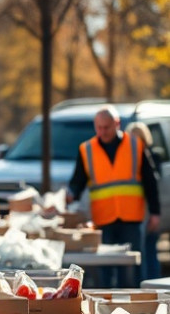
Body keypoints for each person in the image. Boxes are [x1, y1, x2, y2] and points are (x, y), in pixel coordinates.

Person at [67, 106, 160, 287]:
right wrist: (70, 195)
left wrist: (155, 212)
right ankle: (104, 309)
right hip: (103, 219)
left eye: (107, 127)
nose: (103, 132)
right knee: (105, 270)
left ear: (117, 124)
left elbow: (150, 181)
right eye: (99, 127)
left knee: (131, 271)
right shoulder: (87, 149)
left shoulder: (135, 145)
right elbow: (78, 181)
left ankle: (135, 310)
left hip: (131, 218)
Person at [126, 122, 162, 282]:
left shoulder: (149, 157)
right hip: (139, 212)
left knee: (148, 250)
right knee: (145, 250)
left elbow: (152, 186)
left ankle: (150, 285)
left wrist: (155, 212)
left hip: (145, 211)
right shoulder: (129, 159)